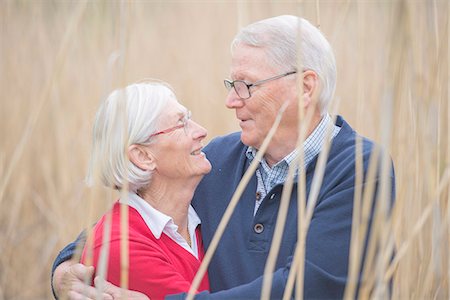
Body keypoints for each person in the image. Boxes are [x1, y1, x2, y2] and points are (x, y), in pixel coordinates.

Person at [52, 15, 395, 299]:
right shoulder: (216, 160)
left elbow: (308, 287)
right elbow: (122, 230)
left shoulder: (361, 169)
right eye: (231, 84)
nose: (231, 100)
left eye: (246, 85)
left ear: (306, 87)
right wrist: (65, 271)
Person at [66, 82, 211, 299]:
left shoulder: (207, 208)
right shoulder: (118, 248)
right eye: (181, 124)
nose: (201, 131)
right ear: (143, 157)